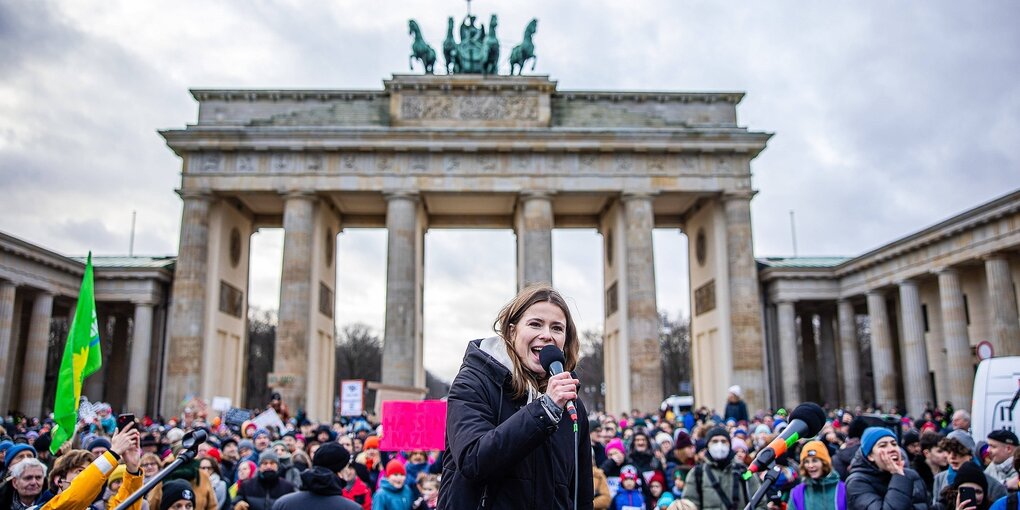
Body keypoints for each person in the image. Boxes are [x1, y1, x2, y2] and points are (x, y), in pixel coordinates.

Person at [437, 284, 594, 510]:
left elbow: (581, 490)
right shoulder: (472, 382)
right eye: (535, 324)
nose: (547, 335)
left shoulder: (571, 403)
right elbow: (473, 461)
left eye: (557, 328)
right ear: (512, 331)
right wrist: (544, 411)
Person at [845, 427, 929, 509]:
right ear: (870, 455)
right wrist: (898, 477)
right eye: (883, 446)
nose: (892, 449)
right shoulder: (857, 482)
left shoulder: (911, 475)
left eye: (894, 444)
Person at [680, 426, 763, 510]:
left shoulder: (744, 471)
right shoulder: (697, 473)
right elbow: (689, 505)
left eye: (723, 441)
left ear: (729, 445)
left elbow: (760, 502)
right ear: (707, 445)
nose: (719, 445)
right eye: (714, 441)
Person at [271, 442, 360, 510]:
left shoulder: (283, 504)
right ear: (340, 471)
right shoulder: (351, 508)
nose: (348, 471)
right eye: (346, 467)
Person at [932, 435, 1007, 505]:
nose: (952, 457)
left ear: (970, 455)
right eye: (948, 451)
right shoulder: (940, 478)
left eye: (958, 452)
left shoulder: (994, 485)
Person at [789, 440, 845, 510]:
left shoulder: (842, 489)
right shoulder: (797, 493)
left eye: (815, 460)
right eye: (806, 461)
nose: (810, 465)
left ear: (824, 463)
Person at [912, 430, 948, 501]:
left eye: (946, 450)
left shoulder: (948, 471)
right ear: (927, 453)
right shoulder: (916, 474)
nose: (946, 455)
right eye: (940, 451)